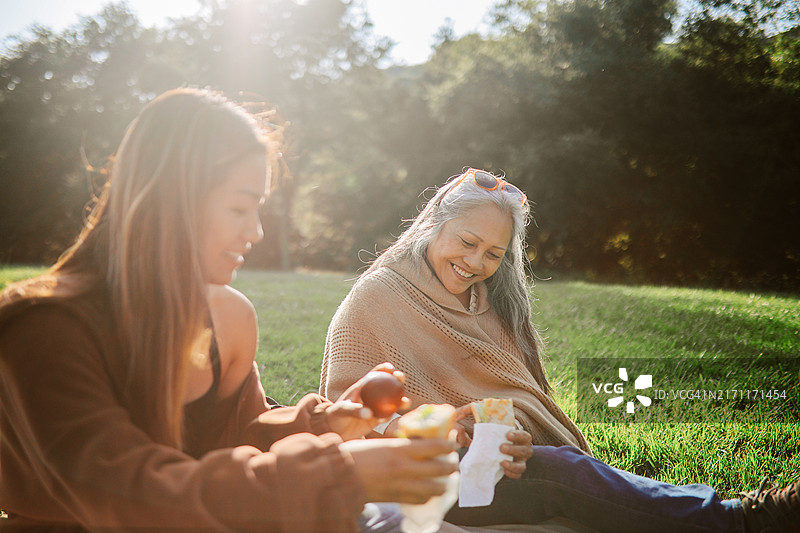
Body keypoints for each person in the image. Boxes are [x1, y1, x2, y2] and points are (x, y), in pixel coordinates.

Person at [0, 88, 459, 532]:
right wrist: (336, 476)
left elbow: (243, 436)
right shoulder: (44, 327)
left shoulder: (224, 320)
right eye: (240, 207)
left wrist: (324, 422)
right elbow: (129, 492)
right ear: (171, 199)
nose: (255, 231)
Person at [320, 167, 800, 533]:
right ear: (432, 225)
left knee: (555, 472)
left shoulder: (490, 304)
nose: (475, 263)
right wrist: (443, 425)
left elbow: (517, 400)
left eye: (493, 254)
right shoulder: (380, 295)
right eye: (467, 242)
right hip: (414, 477)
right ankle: (748, 519)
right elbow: (350, 413)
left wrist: (513, 437)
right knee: (560, 474)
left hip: (489, 469)